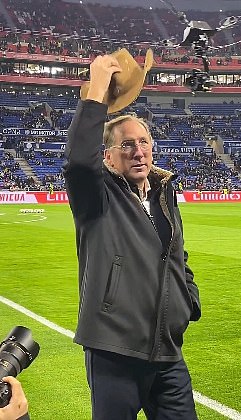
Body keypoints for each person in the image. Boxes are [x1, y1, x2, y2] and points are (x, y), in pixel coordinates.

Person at [63, 54, 201, 420]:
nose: (138, 151)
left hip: (167, 351)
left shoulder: (164, 194)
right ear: (108, 157)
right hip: (115, 352)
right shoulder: (97, 198)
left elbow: (177, 256)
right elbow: (78, 161)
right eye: (127, 145)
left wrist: (189, 301)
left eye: (144, 142)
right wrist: (96, 93)